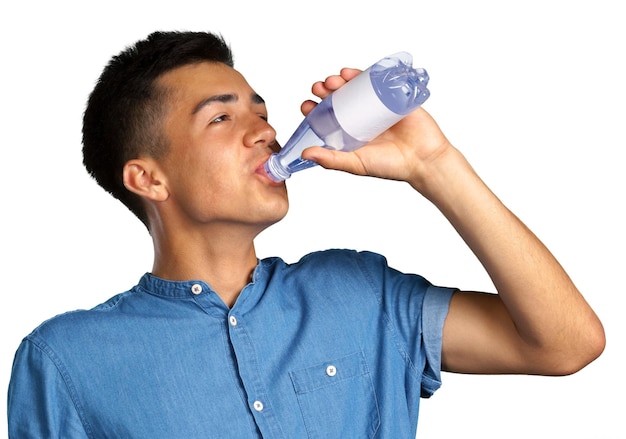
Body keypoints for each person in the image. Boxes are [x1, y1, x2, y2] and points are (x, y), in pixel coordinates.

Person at [7, 30, 605, 438]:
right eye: (222, 117)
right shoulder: (65, 360)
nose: (265, 132)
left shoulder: (359, 292)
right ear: (149, 178)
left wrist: (434, 163)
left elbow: (566, 344)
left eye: (261, 113)